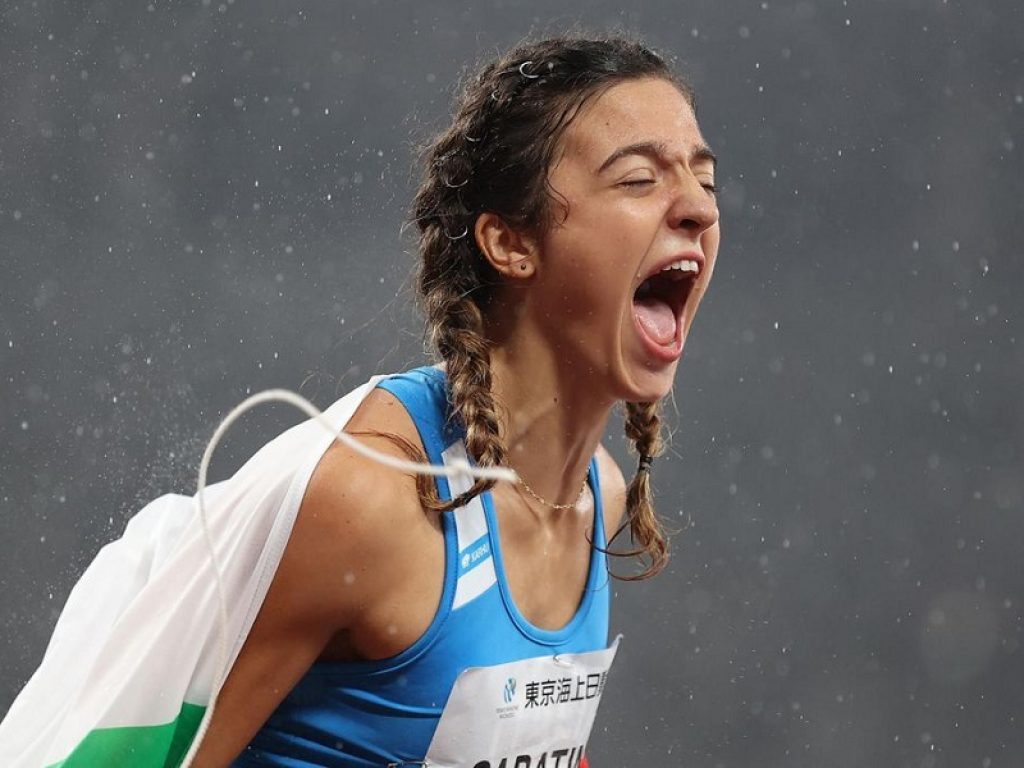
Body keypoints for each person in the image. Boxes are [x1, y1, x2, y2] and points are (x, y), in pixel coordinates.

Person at [2, 35, 720, 768]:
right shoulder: (373, 502)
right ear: (510, 243)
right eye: (639, 180)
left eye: (705, 181)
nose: (696, 207)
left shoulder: (596, 493)